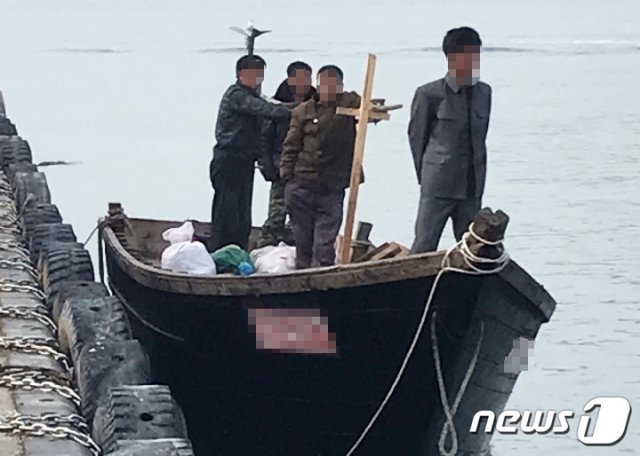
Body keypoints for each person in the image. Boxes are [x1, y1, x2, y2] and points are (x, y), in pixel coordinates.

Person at [408, 26, 492, 253]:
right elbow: (417, 139)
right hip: (438, 185)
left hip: (472, 186)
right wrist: (428, 174)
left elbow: (480, 137)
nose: (474, 62)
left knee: (473, 249)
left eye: (477, 55)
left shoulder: (484, 93)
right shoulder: (429, 94)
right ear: (452, 58)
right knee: (424, 244)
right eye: (468, 56)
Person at [280, 65, 362, 269]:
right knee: (302, 240)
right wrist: (287, 178)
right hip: (301, 185)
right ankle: (301, 274)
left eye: (333, 85)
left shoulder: (347, 105)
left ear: (340, 86)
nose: (328, 90)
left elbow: (369, 107)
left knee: (324, 244)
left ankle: (324, 274)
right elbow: (290, 146)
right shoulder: (303, 111)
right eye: (324, 85)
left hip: (331, 187)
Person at [208, 54, 291, 252]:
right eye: (253, 73)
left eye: (260, 74)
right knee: (227, 214)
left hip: (245, 162)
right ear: (240, 74)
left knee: (243, 214)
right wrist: (304, 110)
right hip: (228, 160)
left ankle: (239, 251)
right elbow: (270, 110)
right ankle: (220, 253)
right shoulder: (237, 95)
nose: (257, 78)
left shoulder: (254, 96)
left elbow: (274, 108)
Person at [256, 61, 317, 248]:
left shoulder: (318, 103)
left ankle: (299, 250)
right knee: (277, 214)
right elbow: (264, 138)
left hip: (308, 168)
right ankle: (265, 247)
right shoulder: (275, 105)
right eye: (300, 78)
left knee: (304, 214)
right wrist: (266, 165)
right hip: (280, 165)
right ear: (290, 79)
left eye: (307, 77)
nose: (304, 82)